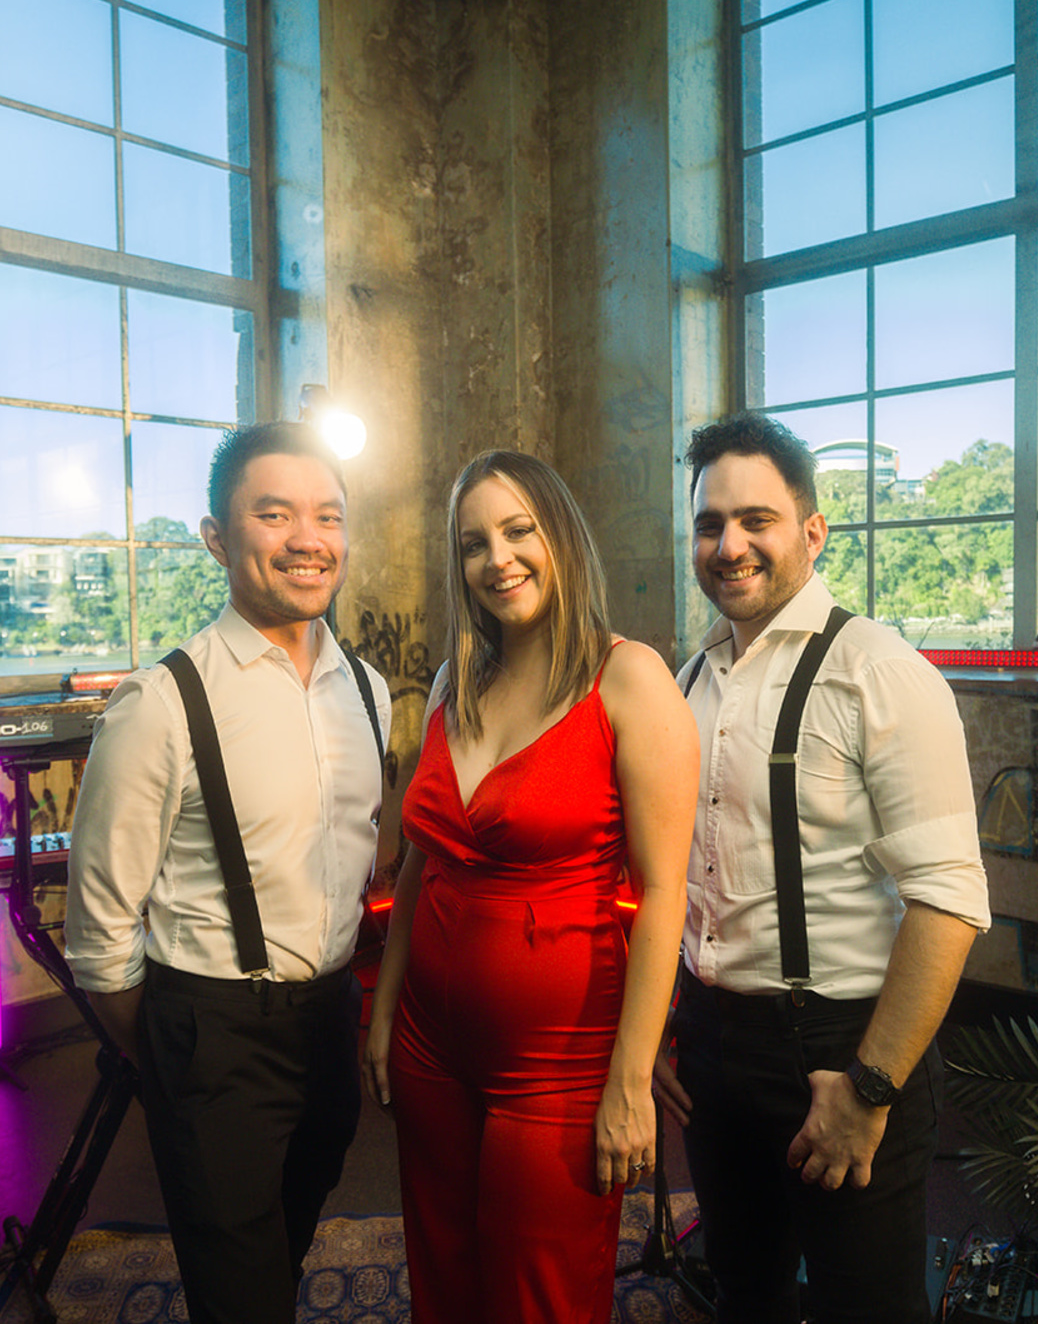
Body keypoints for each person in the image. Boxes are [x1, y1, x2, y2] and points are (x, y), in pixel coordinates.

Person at [653, 413, 991, 1324]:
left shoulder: (878, 671)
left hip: (844, 1046)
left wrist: (871, 1087)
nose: (729, 545)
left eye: (755, 520)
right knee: (746, 1293)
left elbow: (949, 901)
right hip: (715, 1043)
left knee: (865, 1307)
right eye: (710, 524)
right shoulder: (690, 681)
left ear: (812, 531)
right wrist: (663, 1028)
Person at [64, 421, 390, 1324]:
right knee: (237, 1288)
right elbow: (99, 936)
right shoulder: (161, 701)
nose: (307, 539)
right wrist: (176, 1055)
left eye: (328, 515)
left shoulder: (369, 691)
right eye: (273, 514)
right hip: (212, 1031)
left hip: (329, 1018)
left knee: (288, 1238)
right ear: (216, 538)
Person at [363, 449, 697, 1323]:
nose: (497, 559)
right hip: (429, 1043)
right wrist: (386, 1009)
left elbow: (665, 895)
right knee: (443, 1277)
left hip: (557, 1058)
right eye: (473, 543)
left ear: (562, 538)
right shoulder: (456, 680)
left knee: (539, 1295)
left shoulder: (630, 678)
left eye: (519, 531)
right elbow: (420, 858)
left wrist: (631, 1079)